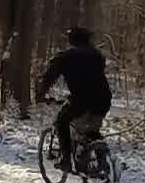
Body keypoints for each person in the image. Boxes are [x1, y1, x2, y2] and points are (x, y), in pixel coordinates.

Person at [37, 26, 112, 170]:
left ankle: (66, 159)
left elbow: (48, 78)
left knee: (61, 121)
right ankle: (102, 162)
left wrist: (41, 94)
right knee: (91, 129)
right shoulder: (98, 56)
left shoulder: (64, 57)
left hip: (81, 100)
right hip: (103, 100)